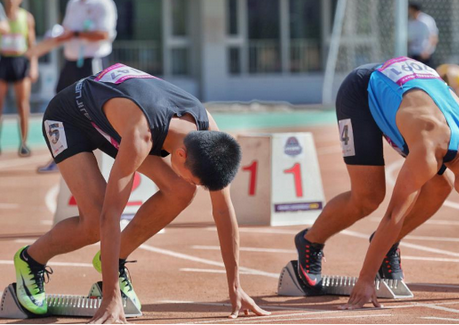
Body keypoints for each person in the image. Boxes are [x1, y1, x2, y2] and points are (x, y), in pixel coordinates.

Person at [13, 63, 269, 322]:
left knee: (181, 190)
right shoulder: (141, 136)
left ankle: (114, 258)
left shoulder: (209, 134)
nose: (196, 185)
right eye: (196, 179)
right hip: (69, 118)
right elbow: (111, 214)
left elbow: (223, 209)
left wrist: (235, 287)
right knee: (95, 220)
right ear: (180, 155)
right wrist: (111, 297)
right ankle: (31, 259)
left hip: (116, 117)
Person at [294, 56, 459, 308]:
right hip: (362, 92)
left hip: (412, 85)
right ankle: (310, 241)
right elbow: (393, 215)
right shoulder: (428, 150)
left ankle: (386, 245)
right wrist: (366, 279)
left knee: (440, 186)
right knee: (368, 198)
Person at [37, 0, 117, 173]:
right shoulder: (74, 2)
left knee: (95, 109)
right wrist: (56, 35)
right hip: (72, 61)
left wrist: (75, 34)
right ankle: (61, 156)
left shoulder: (103, 3)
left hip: (94, 61)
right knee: (59, 106)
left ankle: (107, 156)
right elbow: (66, 29)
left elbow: (105, 34)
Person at [0, 0, 37, 156]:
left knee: (22, 104)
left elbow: (32, 43)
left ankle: (23, 142)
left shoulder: (26, 17)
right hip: (3, 60)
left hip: (20, 61)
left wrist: (34, 67)